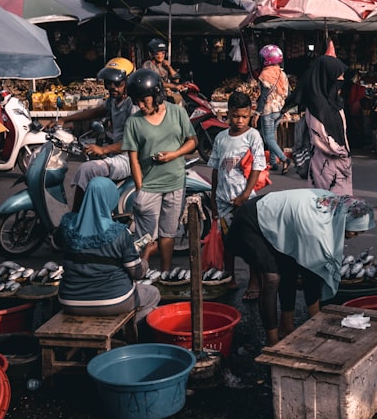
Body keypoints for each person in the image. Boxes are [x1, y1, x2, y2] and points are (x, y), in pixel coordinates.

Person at [225, 189, 374, 346]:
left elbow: (308, 269)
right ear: (345, 221)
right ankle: (272, 342)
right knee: (271, 279)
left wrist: (316, 322)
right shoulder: (317, 226)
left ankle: (286, 326)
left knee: (289, 266)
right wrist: (316, 322)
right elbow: (311, 270)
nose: (354, 237)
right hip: (253, 219)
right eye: (355, 232)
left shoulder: (335, 212)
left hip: (279, 222)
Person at [121, 69, 198, 274]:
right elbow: (134, 160)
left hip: (175, 182)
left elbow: (193, 141)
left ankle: (165, 272)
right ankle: (140, 270)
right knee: (146, 236)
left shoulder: (177, 112)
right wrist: (140, 189)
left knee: (168, 233)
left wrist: (174, 155)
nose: (140, 105)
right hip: (149, 186)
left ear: (157, 95)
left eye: (144, 100)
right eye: (136, 101)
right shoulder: (134, 122)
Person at [56, 177, 160, 320]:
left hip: (69, 300)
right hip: (113, 300)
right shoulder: (120, 233)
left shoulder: (66, 225)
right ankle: (130, 329)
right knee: (153, 293)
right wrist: (147, 253)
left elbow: (56, 244)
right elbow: (137, 273)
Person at [53, 57, 138, 212]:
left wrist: (104, 150)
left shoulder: (133, 105)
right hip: (116, 153)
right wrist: (65, 119)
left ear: (128, 82)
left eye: (117, 83)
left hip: (129, 158)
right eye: (108, 83)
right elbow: (97, 111)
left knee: (87, 169)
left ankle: (75, 217)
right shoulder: (114, 100)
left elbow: (133, 142)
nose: (112, 87)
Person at [209, 90, 266, 301]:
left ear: (250, 114)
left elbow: (257, 168)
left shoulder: (253, 136)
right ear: (227, 114)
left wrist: (245, 195)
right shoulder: (221, 138)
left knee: (250, 240)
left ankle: (254, 281)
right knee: (228, 241)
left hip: (246, 200)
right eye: (235, 116)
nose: (239, 120)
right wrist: (214, 199)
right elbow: (215, 170)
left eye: (244, 116)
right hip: (223, 199)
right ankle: (229, 276)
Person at [284, 55, 353, 195]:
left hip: (342, 164)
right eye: (338, 76)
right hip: (325, 166)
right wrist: (341, 152)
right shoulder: (317, 107)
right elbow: (320, 138)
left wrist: (345, 155)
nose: (342, 80)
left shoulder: (335, 103)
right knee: (328, 204)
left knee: (342, 205)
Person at [254, 44, 292, 175]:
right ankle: (273, 162)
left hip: (269, 111)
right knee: (272, 136)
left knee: (268, 137)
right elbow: (288, 93)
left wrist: (257, 113)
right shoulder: (283, 74)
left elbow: (264, 96)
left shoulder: (265, 74)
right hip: (279, 110)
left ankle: (284, 159)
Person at [142, 39, 183, 103]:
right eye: (157, 54)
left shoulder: (165, 65)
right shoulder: (148, 65)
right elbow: (157, 82)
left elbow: (176, 80)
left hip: (165, 94)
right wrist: (174, 86)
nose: (160, 56)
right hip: (153, 96)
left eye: (162, 53)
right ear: (152, 54)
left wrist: (169, 67)